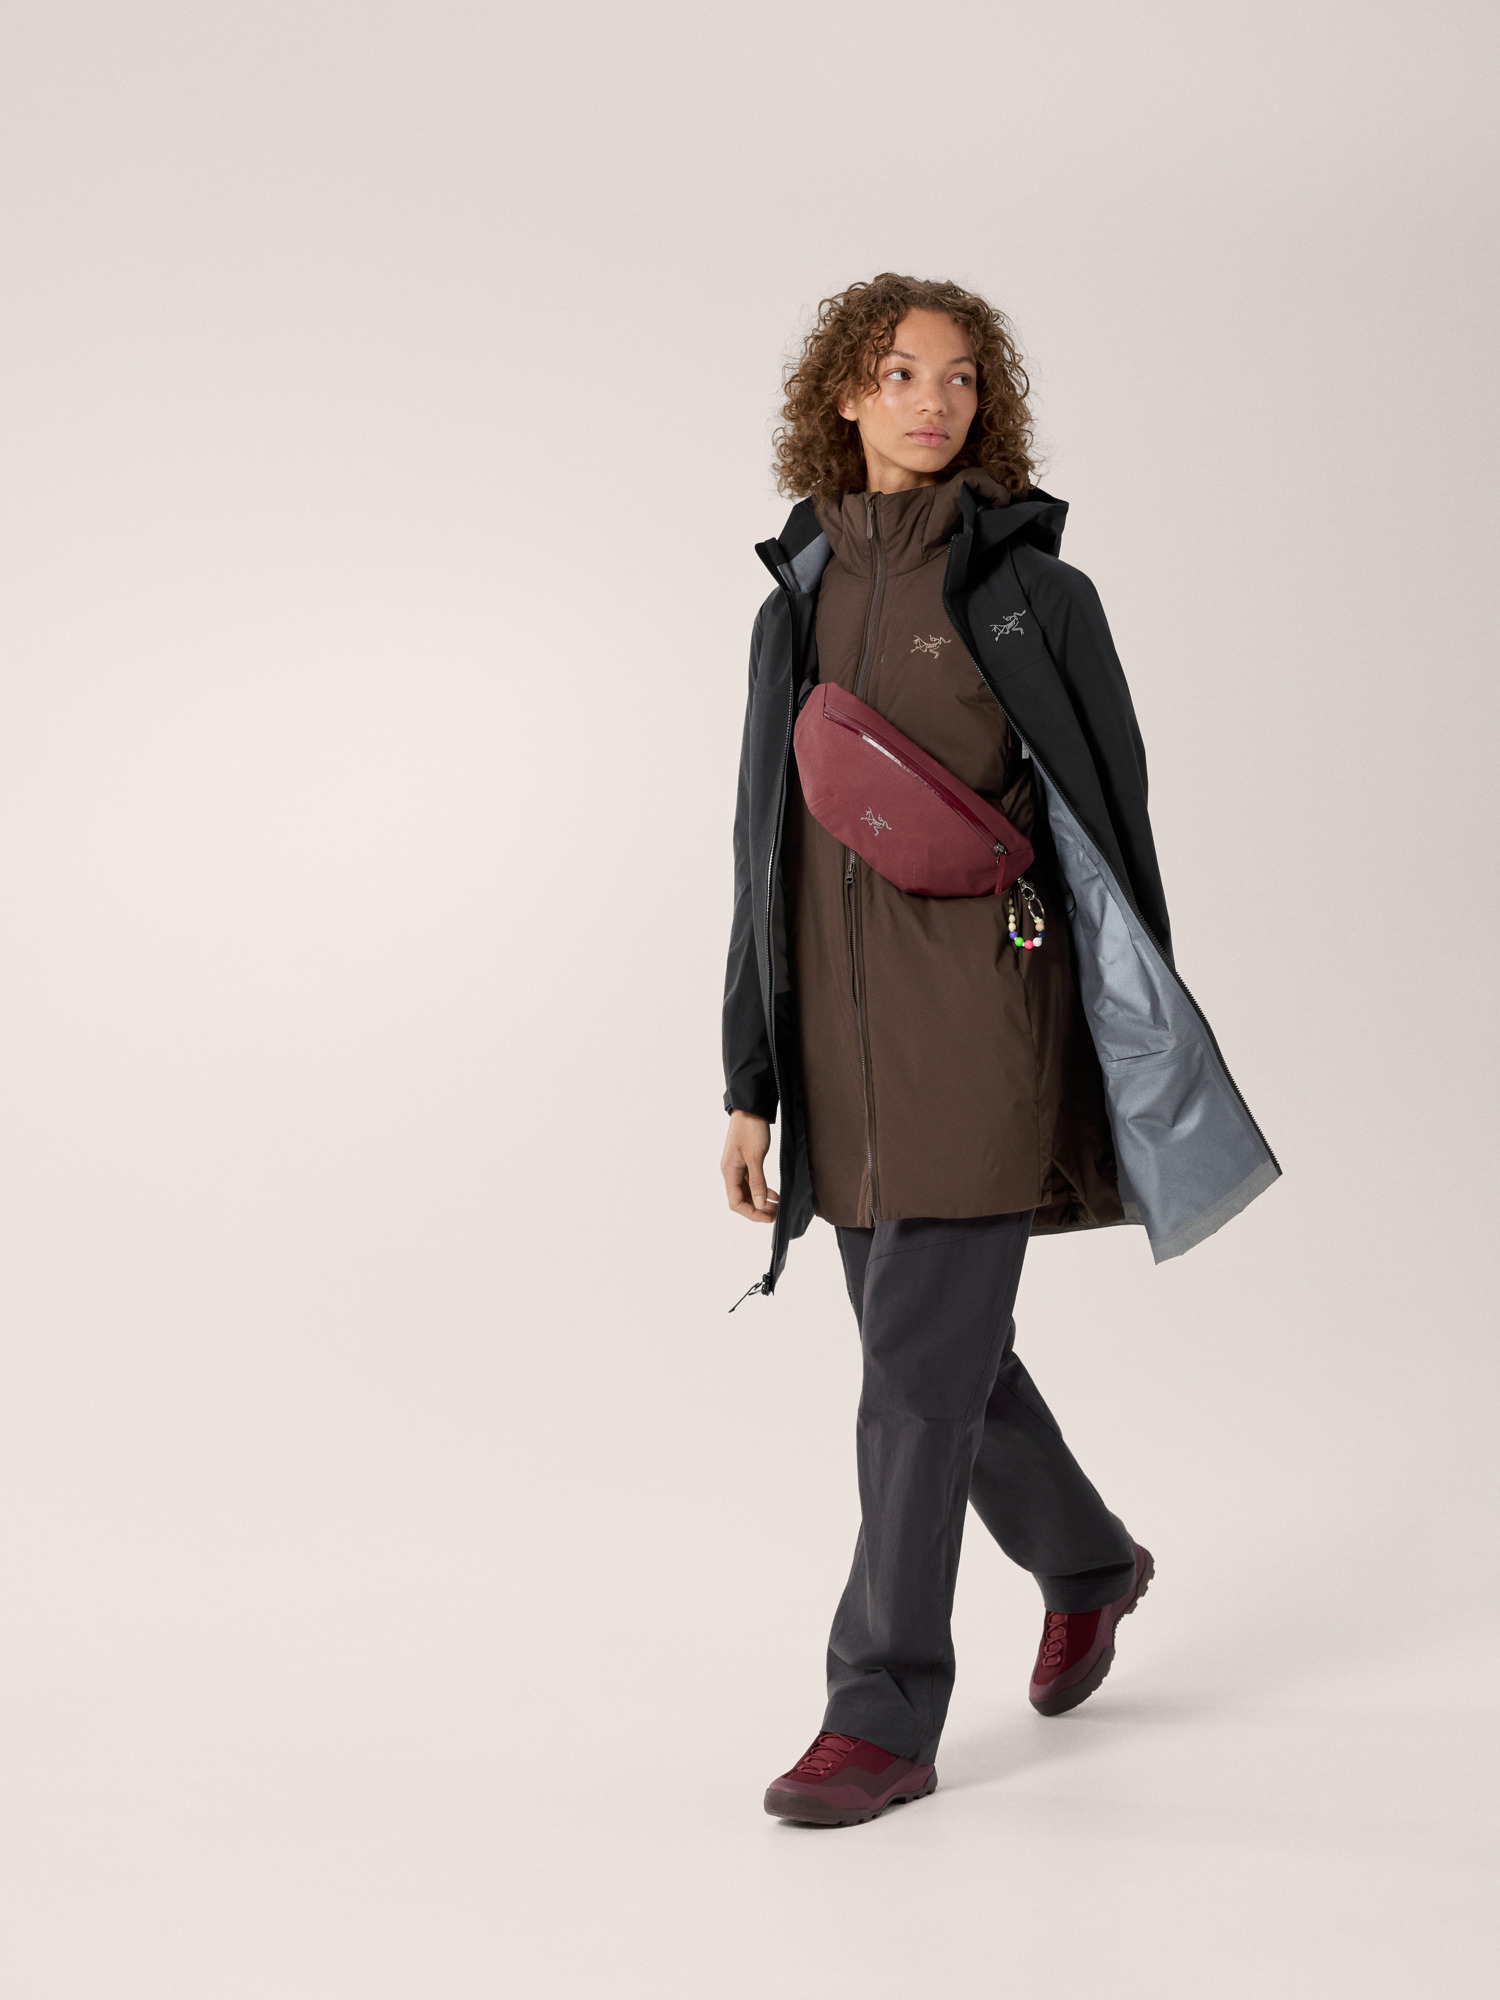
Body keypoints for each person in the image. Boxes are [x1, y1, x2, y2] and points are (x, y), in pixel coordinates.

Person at [719, 273, 1279, 1828]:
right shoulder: (792, 603)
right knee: (941, 1360)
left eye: (960, 378)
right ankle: (1088, 1562)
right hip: (837, 1052)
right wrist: (750, 1082)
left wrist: (1125, 1044)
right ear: (845, 394)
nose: (933, 401)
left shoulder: (1037, 595)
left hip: (984, 1019)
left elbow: (1115, 831)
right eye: (900, 373)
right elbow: (760, 854)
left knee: (913, 1377)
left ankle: (879, 1714)